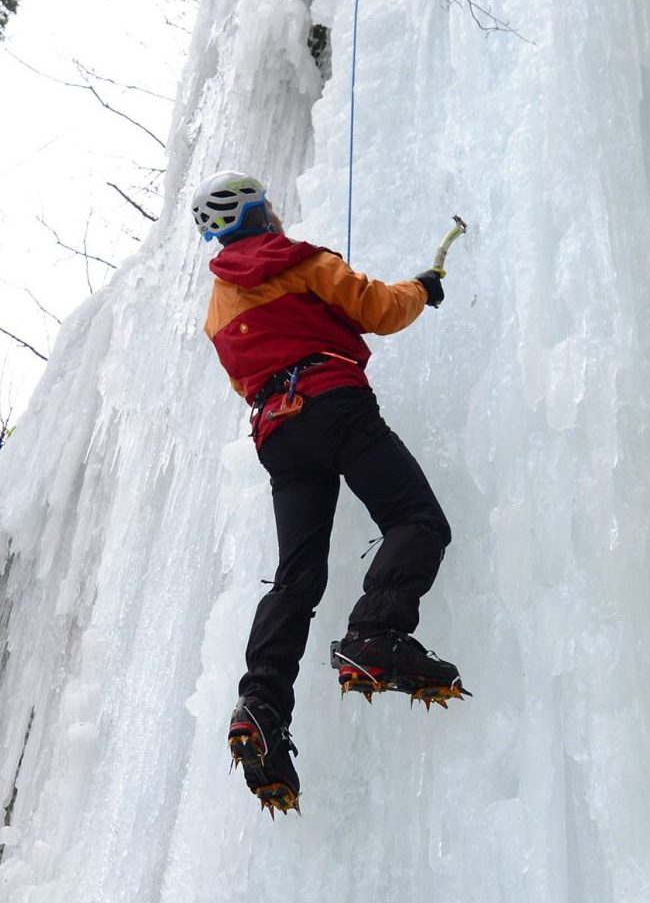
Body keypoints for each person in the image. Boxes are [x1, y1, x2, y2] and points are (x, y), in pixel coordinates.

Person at [193, 169, 464, 815]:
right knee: (416, 519)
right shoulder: (303, 260)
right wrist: (422, 289)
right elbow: (377, 309)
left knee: (297, 577)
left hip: (277, 434)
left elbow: (244, 378)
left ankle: (261, 703)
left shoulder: (219, 307)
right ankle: (375, 633)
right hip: (332, 402)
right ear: (261, 215)